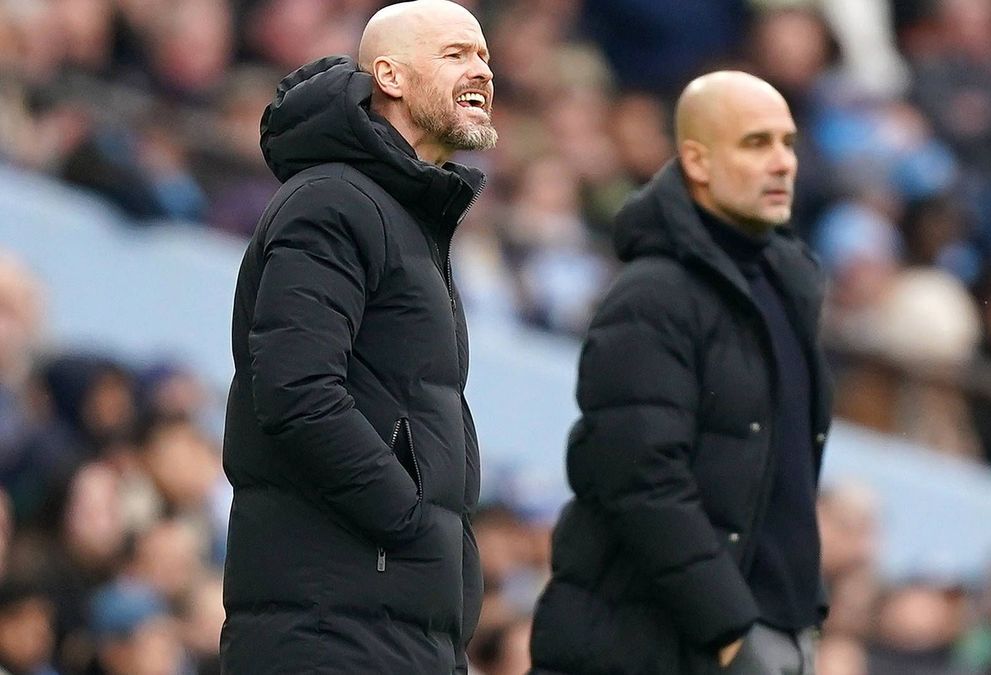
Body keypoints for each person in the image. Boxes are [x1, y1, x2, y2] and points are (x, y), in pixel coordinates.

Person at [219, 1, 496, 672]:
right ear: (389, 76)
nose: (482, 71)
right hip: (332, 629)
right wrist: (406, 516)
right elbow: (295, 388)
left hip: (395, 626)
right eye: (456, 54)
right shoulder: (334, 201)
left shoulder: (403, 217)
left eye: (485, 56)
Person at [530, 71, 833, 674]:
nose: (782, 163)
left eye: (788, 143)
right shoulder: (654, 295)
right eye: (756, 144)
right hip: (655, 645)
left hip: (768, 634)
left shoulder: (785, 287)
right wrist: (728, 631)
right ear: (696, 160)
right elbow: (638, 476)